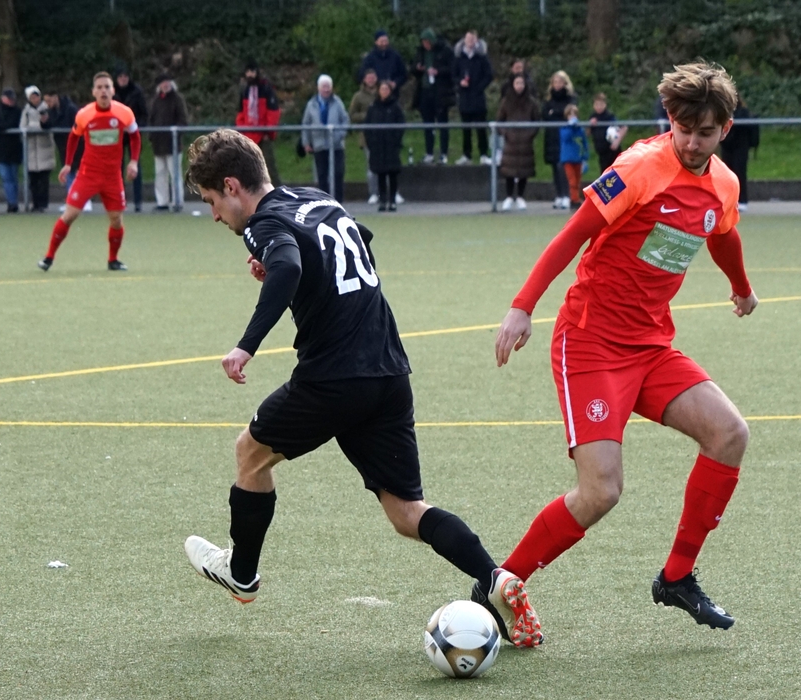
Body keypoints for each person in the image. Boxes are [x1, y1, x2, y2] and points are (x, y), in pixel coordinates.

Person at [180, 128, 542, 649]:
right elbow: (357, 243)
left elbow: (288, 263)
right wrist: (293, 271)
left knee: (250, 454)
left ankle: (241, 573)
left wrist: (246, 345)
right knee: (407, 512)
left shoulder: (263, 222)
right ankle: (495, 578)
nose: (215, 215)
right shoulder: (316, 198)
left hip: (333, 376)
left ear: (232, 186)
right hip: (388, 371)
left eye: (212, 201)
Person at [491, 61, 756, 635]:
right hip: (590, 342)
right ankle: (499, 585)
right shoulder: (639, 167)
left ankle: (677, 578)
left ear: (725, 130)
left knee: (730, 434)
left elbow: (723, 233)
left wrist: (741, 286)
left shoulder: (724, 183)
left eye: (705, 133)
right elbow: (574, 234)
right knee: (601, 491)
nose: (692, 142)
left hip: (651, 347)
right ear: (670, 120)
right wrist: (522, 305)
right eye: (683, 129)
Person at [37, 72, 139, 272]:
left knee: (116, 220)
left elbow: (135, 136)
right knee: (70, 215)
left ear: (113, 90)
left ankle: (113, 260)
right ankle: (48, 257)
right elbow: (74, 137)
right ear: (93, 92)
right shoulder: (85, 114)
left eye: (107, 87)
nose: (103, 91)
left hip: (112, 176)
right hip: (88, 173)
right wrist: (68, 164)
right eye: (99, 87)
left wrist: (134, 161)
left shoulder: (124, 112)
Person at [301, 74, 349, 204]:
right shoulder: (311, 104)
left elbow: (345, 121)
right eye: (324, 87)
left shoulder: (337, 102)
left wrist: (339, 135)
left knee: (338, 174)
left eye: (328, 87)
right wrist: (306, 142)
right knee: (322, 175)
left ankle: (338, 203)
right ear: (318, 88)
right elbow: (306, 124)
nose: (326, 89)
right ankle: (325, 203)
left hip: (336, 146)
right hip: (319, 145)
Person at [411, 28, 454, 164]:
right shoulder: (421, 52)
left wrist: (438, 71)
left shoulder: (445, 51)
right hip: (425, 90)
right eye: (423, 42)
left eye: (427, 42)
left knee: (442, 123)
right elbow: (412, 69)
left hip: (440, 92)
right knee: (427, 123)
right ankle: (429, 152)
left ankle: (444, 153)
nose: (425, 45)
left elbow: (452, 69)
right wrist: (417, 68)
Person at [497, 73, 539, 211]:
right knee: (509, 170)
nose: (519, 86)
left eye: (521, 83)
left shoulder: (531, 102)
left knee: (524, 170)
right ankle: (509, 197)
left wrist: (530, 135)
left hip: (526, 142)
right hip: (511, 142)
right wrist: (506, 134)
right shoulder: (506, 101)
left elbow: (536, 121)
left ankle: (521, 197)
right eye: (517, 83)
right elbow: (499, 121)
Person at [236, 60, 281, 186]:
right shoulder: (245, 90)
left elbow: (273, 112)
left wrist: (268, 132)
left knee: (269, 168)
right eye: (248, 72)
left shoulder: (266, 88)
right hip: (248, 136)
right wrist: (242, 131)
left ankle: (277, 192)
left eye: (252, 71)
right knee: (248, 168)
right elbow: (241, 113)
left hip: (263, 135)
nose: (250, 74)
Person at [148, 74, 189, 212]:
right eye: (163, 82)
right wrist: (152, 136)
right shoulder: (156, 100)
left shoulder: (177, 99)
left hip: (173, 143)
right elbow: (152, 119)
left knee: (174, 173)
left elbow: (183, 120)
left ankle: (177, 201)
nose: (165, 85)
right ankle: (162, 201)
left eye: (167, 82)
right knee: (160, 173)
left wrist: (176, 133)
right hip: (158, 144)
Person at [452, 30, 493, 165]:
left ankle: (483, 154)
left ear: (477, 40)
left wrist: (479, 87)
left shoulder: (482, 57)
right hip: (464, 98)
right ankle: (466, 155)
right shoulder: (459, 57)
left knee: (481, 128)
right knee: (466, 129)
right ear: (464, 40)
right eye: (468, 39)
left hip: (478, 98)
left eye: (473, 39)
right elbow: (453, 75)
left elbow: (489, 75)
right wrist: (460, 83)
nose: (470, 41)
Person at [365, 81, 405, 212]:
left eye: (386, 89)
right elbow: (367, 127)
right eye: (382, 89)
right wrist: (371, 142)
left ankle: (392, 201)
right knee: (380, 174)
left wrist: (396, 140)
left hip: (391, 147)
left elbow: (401, 125)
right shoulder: (373, 107)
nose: (384, 91)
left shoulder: (395, 107)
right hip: (378, 147)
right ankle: (382, 201)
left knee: (392, 174)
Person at [113, 66, 148, 212]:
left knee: (135, 167)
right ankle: (120, 200)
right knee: (117, 169)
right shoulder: (112, 92)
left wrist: (135, 127)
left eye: (125, 76)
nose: (123, 79)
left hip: (133, 134)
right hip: (117, 135)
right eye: (120, 77)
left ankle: (138, 201)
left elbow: (144, 113)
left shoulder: (136, 92)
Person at [42, 90, 83, 210]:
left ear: (56, 97)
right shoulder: (52, 111)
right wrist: (44, 122)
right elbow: (49, 125)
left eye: (49, 100)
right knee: (68, 173)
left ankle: (81, 200)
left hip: (76, 146)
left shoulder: (70, 109)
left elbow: (76, 125)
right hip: (62, 147)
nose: (47, 103)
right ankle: (72, 200)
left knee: (77, 173)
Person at [542, 71, 577, 209]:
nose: (557, 84)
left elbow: (568, 113)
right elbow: (545, 114)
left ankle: (567, 195)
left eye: (560, 82)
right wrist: (556, 113)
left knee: (564, 166)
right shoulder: (549, 99)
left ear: (565, 83)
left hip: (566, 136)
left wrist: (555, 112)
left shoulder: (570, 98)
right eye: (555, 82)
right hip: (551, 136)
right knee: (554, 166)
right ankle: (559, 195)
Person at [719, 93, 759, 212]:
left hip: (741, 147)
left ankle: (742, 200)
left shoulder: (743, 112)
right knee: (726, 174)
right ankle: (728, 200)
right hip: (727, 146)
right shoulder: (723, 112)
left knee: (739, 172)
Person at [20, 86, 56, 212]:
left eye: (37, 96)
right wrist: (34, 127)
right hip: (31, 151)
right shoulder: (26, 111)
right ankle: (35, 204)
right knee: (33, 181)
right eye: (32, 97)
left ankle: (43, 204)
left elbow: (48, 125)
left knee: (44, 180)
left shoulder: (47, 108)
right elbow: (22, 127)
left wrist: (35, 126)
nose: (35, 99)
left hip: (44, 149)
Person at [349, 69, 380, 204]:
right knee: (371, 167)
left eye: (373, 77)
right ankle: (373, 193)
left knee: (386, 166)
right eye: (369, 77)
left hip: (383, 136)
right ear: (364, 79)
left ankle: (387, 192)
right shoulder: (358, 96)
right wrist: (368, 115)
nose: (371, 80)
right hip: (367, 137)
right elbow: (352, 115)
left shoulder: (382, 92)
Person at [358, 30, 407, 101]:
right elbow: (362, 75)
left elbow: (403, 74)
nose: (384, 44)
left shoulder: (395, 56)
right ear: (376, 42)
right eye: (381, 41)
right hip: (374, 95)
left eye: (386, 41)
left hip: (393, 95)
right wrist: (373, 83)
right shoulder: (369, 58)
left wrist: (395, 83)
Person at [559, 104, 589, 208]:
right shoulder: (564, 128)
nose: (573, 117)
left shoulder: (580, 129)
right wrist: (571, 127)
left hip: (578, 159)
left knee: (578, 180)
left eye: (574, 114)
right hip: (568, 159)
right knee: (572, 181)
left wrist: (585, 157)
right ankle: (574, 199)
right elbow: (565, 137)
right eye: (570, 115)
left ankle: (576, 198)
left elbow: (584, 143)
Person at [588, 92, 626, 174]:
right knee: (604, 173)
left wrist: (616, 142)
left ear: (605, 104)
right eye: (597, 104)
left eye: (601, 104)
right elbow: (587, 133)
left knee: (616, 173)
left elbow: (623, 127)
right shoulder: (592, 117)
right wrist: (589, 125)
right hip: (601, 152)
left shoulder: (609, 116)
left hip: (611, 150)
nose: (599, 107)